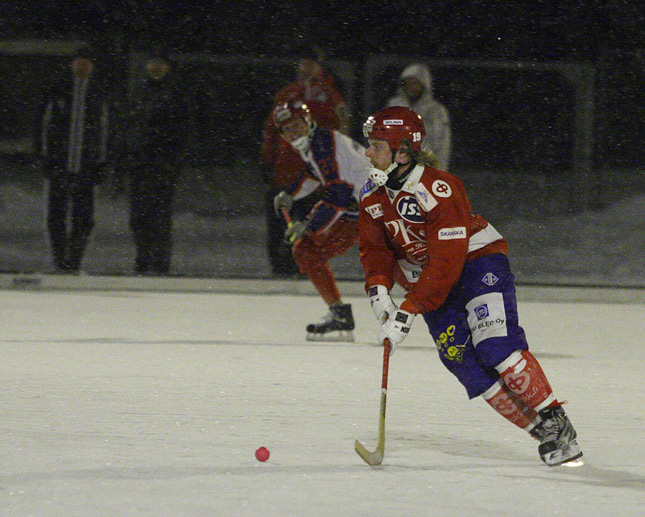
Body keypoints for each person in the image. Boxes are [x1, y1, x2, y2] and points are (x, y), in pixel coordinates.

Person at [358, 106, 582, 467]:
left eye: (375, 146)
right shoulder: (372, 195)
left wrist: (410, 309)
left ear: (402, 150)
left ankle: (556, 419)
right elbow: (375, 249)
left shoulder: (439, 188)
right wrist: (379, 293)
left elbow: (446, 261)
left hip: (476, 264)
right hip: (427, 283)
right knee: (460, 359)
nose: (367, 153)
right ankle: (541, 431)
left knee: (494, 344)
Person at [272, 100, 370, 341]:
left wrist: (309, 226)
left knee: (305, 248)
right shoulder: (320, 140)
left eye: (296, 125)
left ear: (307, 121)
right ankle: (451, 308)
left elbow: (339, 194)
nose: (293, 133)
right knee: (401, 267)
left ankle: (339, 314)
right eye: (287, 129)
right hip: (370, 208)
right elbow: (316, 173)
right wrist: (290, 194)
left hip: (369, 211)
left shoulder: (321, 144)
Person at [260, 48, 350, 277]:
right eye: (304, 63)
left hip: (316, 177)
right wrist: (266, 161)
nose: (307, 68)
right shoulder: (288, 93)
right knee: (281, 227)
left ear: (321, 67)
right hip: (285, 173)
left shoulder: (332, 95)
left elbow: (341, 131)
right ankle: (281, 271)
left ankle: (308, 273)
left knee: (311, 229)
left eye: (312, 63)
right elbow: (272, 129)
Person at [37, 45, 111, 274]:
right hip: (59, 165)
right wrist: (44, 157)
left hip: (87, 167)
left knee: (84, 218)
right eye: (79, 61)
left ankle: (74, 259)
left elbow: (108, 131)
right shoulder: (58, 89)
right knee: (56, 217)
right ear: (72, 64)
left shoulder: (100, 93)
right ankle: (60, 260)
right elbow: (42, 126)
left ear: (93, 66)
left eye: (87, 62)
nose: (82, 66)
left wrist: (103, 162)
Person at [121, 50, 189, 275]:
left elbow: (182, 132)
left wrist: (172, 161)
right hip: (139, 164)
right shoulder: (140, 92)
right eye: (152, 63)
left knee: (159, 215)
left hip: (162, 165)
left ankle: (159, 262)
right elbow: (129, 128)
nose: (155, 67)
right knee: (139, 216)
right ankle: (143, 258)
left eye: (160, 63)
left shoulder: (176, 94)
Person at [386, 63, 451, 170]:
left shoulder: (435, 111)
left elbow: (441, 144)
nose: (411, 87)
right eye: (407, 83)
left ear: (424, 85)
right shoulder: (394, 106)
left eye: (415, 83)